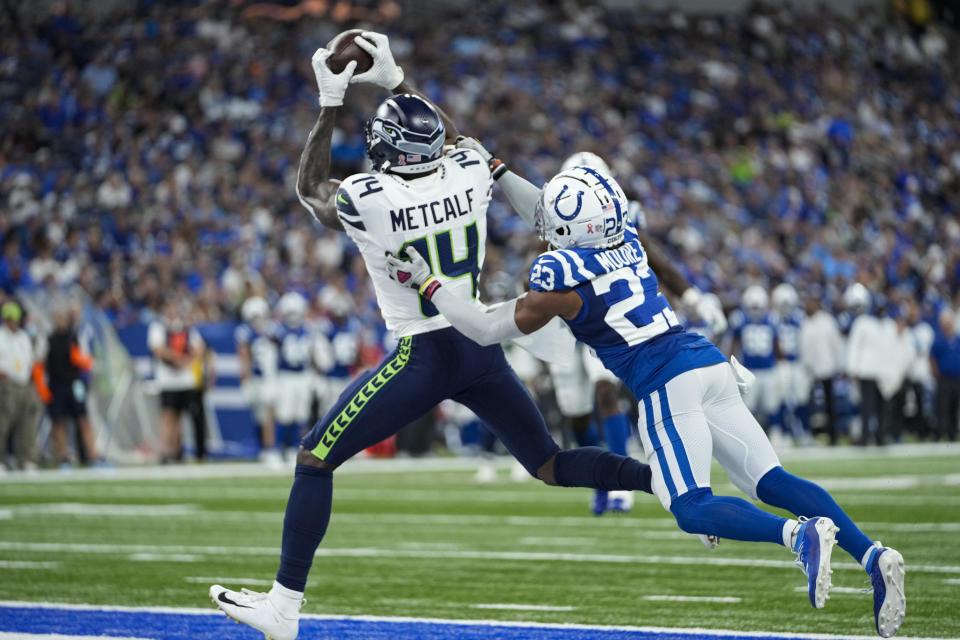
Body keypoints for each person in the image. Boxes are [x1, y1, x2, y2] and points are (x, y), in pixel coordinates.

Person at [209, 33, 655, 640]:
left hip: (426, 352)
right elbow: (457, 140)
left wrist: (329, 100)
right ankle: (660, 480)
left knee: (315, 458)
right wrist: (396, 80)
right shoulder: (471, 172)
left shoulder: (371, 197)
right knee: (548, 463)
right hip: (481, 348)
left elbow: (309, 189)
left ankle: (283, 609)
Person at [387, 161, 906, 638]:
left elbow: (482, 327)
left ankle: (797, 536)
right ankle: (872, 554)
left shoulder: (561, 285)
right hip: (706, 360)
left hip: (664, 380)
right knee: (770, 480)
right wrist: (497, 168)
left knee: (691, 507)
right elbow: (546, 213)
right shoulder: (627, 240)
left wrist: (429, 284)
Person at [147, 299, 205, 462]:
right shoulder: (158, 326)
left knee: (181, 416)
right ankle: (165, 451)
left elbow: (199, 347)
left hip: (185, 380)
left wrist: (185, 360)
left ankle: (178, 451)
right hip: (167, 379)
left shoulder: (186, 327)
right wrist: (178, 359)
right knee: (168, 415)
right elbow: (158, 349)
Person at [46, 304, 102, 468]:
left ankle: (94, 456)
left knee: (83, 419)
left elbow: (82, 360)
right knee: (59, 421)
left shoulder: (74, 337)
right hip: (57, 384)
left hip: (74, 383)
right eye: (58, 318)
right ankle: (63, 458)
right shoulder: (50, 340)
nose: (61, 321)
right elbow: (44, 363)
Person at [729, 286, 781, 435]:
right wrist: (732, 363)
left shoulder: (772, 318)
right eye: (753, 307)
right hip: (748, 369)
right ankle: (747, 434)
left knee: (772, 404)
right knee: (747, 406)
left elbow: (776, 344)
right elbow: (734, 343)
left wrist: (781, 362)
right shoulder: (740, 318)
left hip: (768, 368)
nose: (756, 310)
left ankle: (775, 433)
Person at [0, 301, 44, 471]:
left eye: (14, 318)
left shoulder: (24, 337)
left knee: (27, 424)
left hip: (25, 383)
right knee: (2, 424)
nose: (11, 321)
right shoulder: (1, 336)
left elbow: (31, 360)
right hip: (6, 384)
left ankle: (26, 460)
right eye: (8, 318)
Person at [236, 296, 279, 463]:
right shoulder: (245, 332)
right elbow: (244, 354)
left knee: (269, 413)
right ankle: (263, 447)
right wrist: (244, 375)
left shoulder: (273, 330)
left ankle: (270, 448)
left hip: (270, 377)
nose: (257, 320)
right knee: (259, 415)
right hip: (256, 377)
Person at [845, 284, 889, 445]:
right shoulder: (865, 322)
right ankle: (867, 437)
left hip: (878, 371)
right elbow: (855, 346)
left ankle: (879, 437)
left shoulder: (883, 324)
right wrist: (852, 368)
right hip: (868, 370)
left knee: (879, 407)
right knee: (869, 407)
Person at [799, 296, 844, 444]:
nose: (808, 306)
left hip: (826, 367)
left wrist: (838, 363)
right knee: (809, 404)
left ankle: (833, 436)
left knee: (830, 404)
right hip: (809, 370)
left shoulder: (827, 321)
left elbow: (836, 344)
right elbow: (803, 348)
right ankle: (811, 435)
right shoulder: (805, 322)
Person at [930, 307, 960, 441]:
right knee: (943, 407)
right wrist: (936, 373)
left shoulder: (958, 339)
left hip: (957, 378)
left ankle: (952, 434)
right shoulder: (938, 339)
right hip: (944, 378)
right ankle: (940, 433)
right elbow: (932, 358)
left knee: (955, 407)